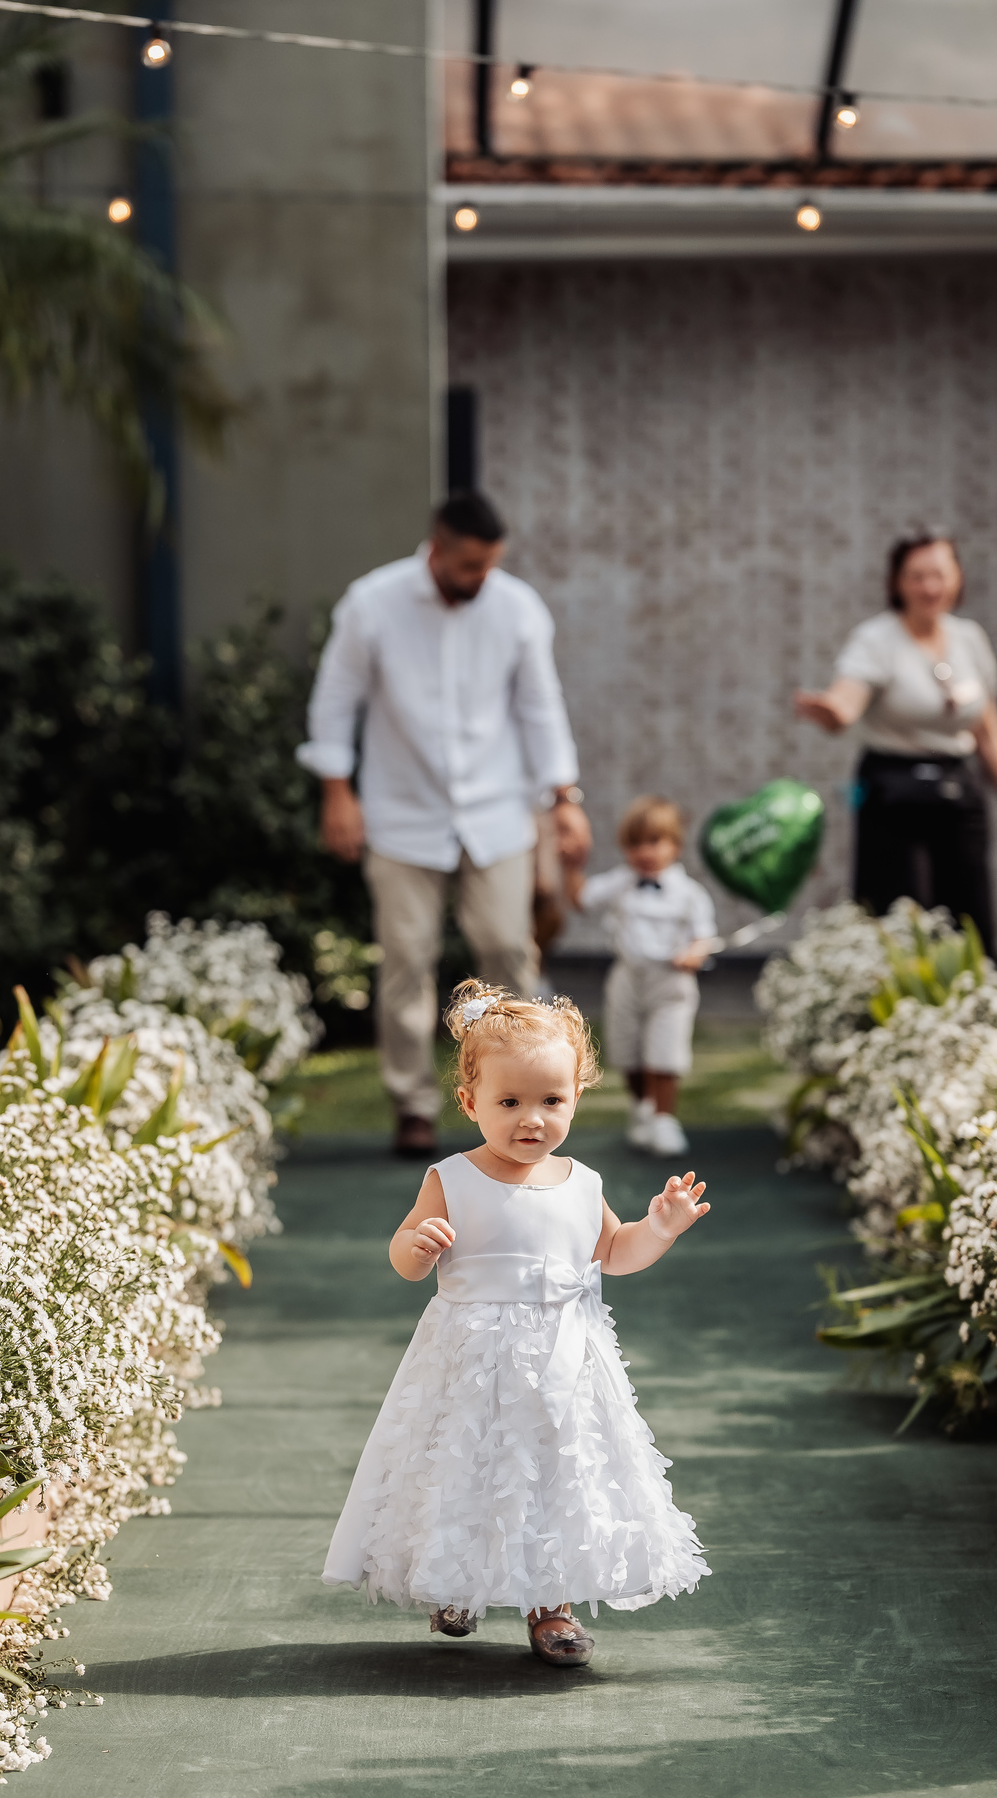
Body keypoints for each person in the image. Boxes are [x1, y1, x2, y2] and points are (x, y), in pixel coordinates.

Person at [322, 980, 710, 1665]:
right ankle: (455, 1582)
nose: (531, 1120)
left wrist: (660, 1227)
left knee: (555, 1471)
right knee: (466, 1466)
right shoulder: (452, 1178)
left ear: (576, 1098)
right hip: (473, 1360)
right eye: (509, 1103)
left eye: (551, 1101)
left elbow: (615, 1254)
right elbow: (405, 1257)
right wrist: (416, 1247)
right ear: (469, 1102)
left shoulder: (582, 1183)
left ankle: (551, 1605)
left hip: (565, 1357)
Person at [297, 492, 591, 1159]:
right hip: (402, 811)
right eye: (468, 566)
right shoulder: (372, 603)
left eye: (489, 565)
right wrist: (337, 791)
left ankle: (528, 1095)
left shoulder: (517, 608)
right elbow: (336, 700)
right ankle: (413, 1106)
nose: (480, 578)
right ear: (435, 549)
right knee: (406, 956)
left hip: (498, 809)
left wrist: (564, 798)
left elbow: (541, 708)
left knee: (507, 949)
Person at [795, 532, 997, 950]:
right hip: (895, 792)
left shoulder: (969, 638)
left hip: (959, 789)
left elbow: (984, 723)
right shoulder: (876, 639)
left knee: (971, 913)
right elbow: (847, 700)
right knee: (903, 916)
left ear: (958, 577)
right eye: (917, 576)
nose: (929, 587)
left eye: (939, 574)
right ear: (897, 583)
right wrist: (832, 711)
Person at [567, 796, 717, 1158]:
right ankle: (642, 1110)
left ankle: (664, 1119)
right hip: (627, 978)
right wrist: (571, 864)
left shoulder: (690, 894)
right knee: (627, 1049)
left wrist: (693, 954)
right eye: (635, 844)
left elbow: (704, 937)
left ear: (675, 845)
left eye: (654, 842)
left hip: (670, 981)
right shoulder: (620, 882)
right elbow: (582, 899)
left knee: (665, 1049)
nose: (644, 852)